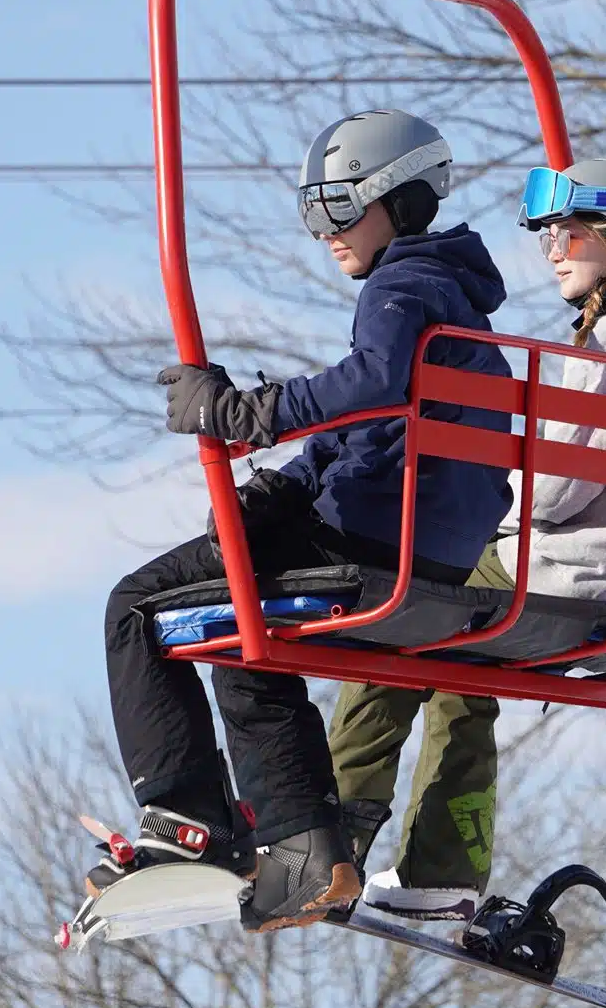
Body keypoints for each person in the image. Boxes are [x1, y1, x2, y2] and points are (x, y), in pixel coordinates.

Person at [90, 108, 514, 933]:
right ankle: (300, 840)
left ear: (405, 203)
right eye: (314, 213)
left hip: (373, 544)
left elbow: (374, 382)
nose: (326, 232)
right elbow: (377, 433)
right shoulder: (457, 310)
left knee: (137, 606)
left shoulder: (401, 290)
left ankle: (196, 822)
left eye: (342, 208)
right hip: (431, 550)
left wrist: (253, 411)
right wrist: (281, 489)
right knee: (237, 615)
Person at [326, 157, 606, 922]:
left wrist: (478, 501)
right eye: (549, 231)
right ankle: (440, 869)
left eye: (572, 231)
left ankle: (322, 841)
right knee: (460, 647)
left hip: (592, 574)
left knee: (402, 610)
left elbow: (549, 490)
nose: (553, 247)